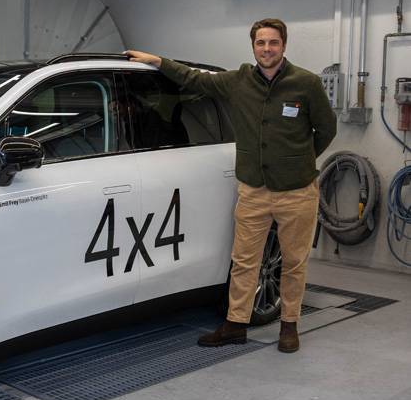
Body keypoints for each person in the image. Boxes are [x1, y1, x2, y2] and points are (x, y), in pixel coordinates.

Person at [126, 18, 337, 353]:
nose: (266, 49)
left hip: (296, 191)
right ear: (253, 46)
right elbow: (194, 79)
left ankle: (289, 325)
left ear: (284, 45)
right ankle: (236, 324)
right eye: (260, 43)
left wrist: (299, 161)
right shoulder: (238, 81)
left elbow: (326, 129)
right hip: (253, 189)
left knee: (293, 262)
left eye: (273, 43)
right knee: (244, 260)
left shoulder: (306, 84)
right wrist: (157, 61)